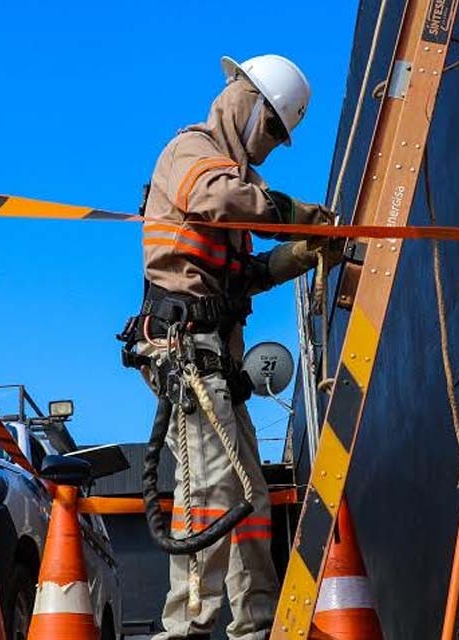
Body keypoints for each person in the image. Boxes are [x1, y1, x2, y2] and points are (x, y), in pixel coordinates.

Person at [119, 54, 341, 640]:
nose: (270, 146)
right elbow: (220, 198)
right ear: (247, 105)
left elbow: (241, 273)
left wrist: (300, 254)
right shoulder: (192, 155)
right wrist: (297, 218)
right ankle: (185, 628)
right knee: (214, 489)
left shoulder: (235, 188)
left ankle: (256, 625)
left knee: (251, 498)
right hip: (183, 351)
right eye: (271, 129)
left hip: (214, 357)